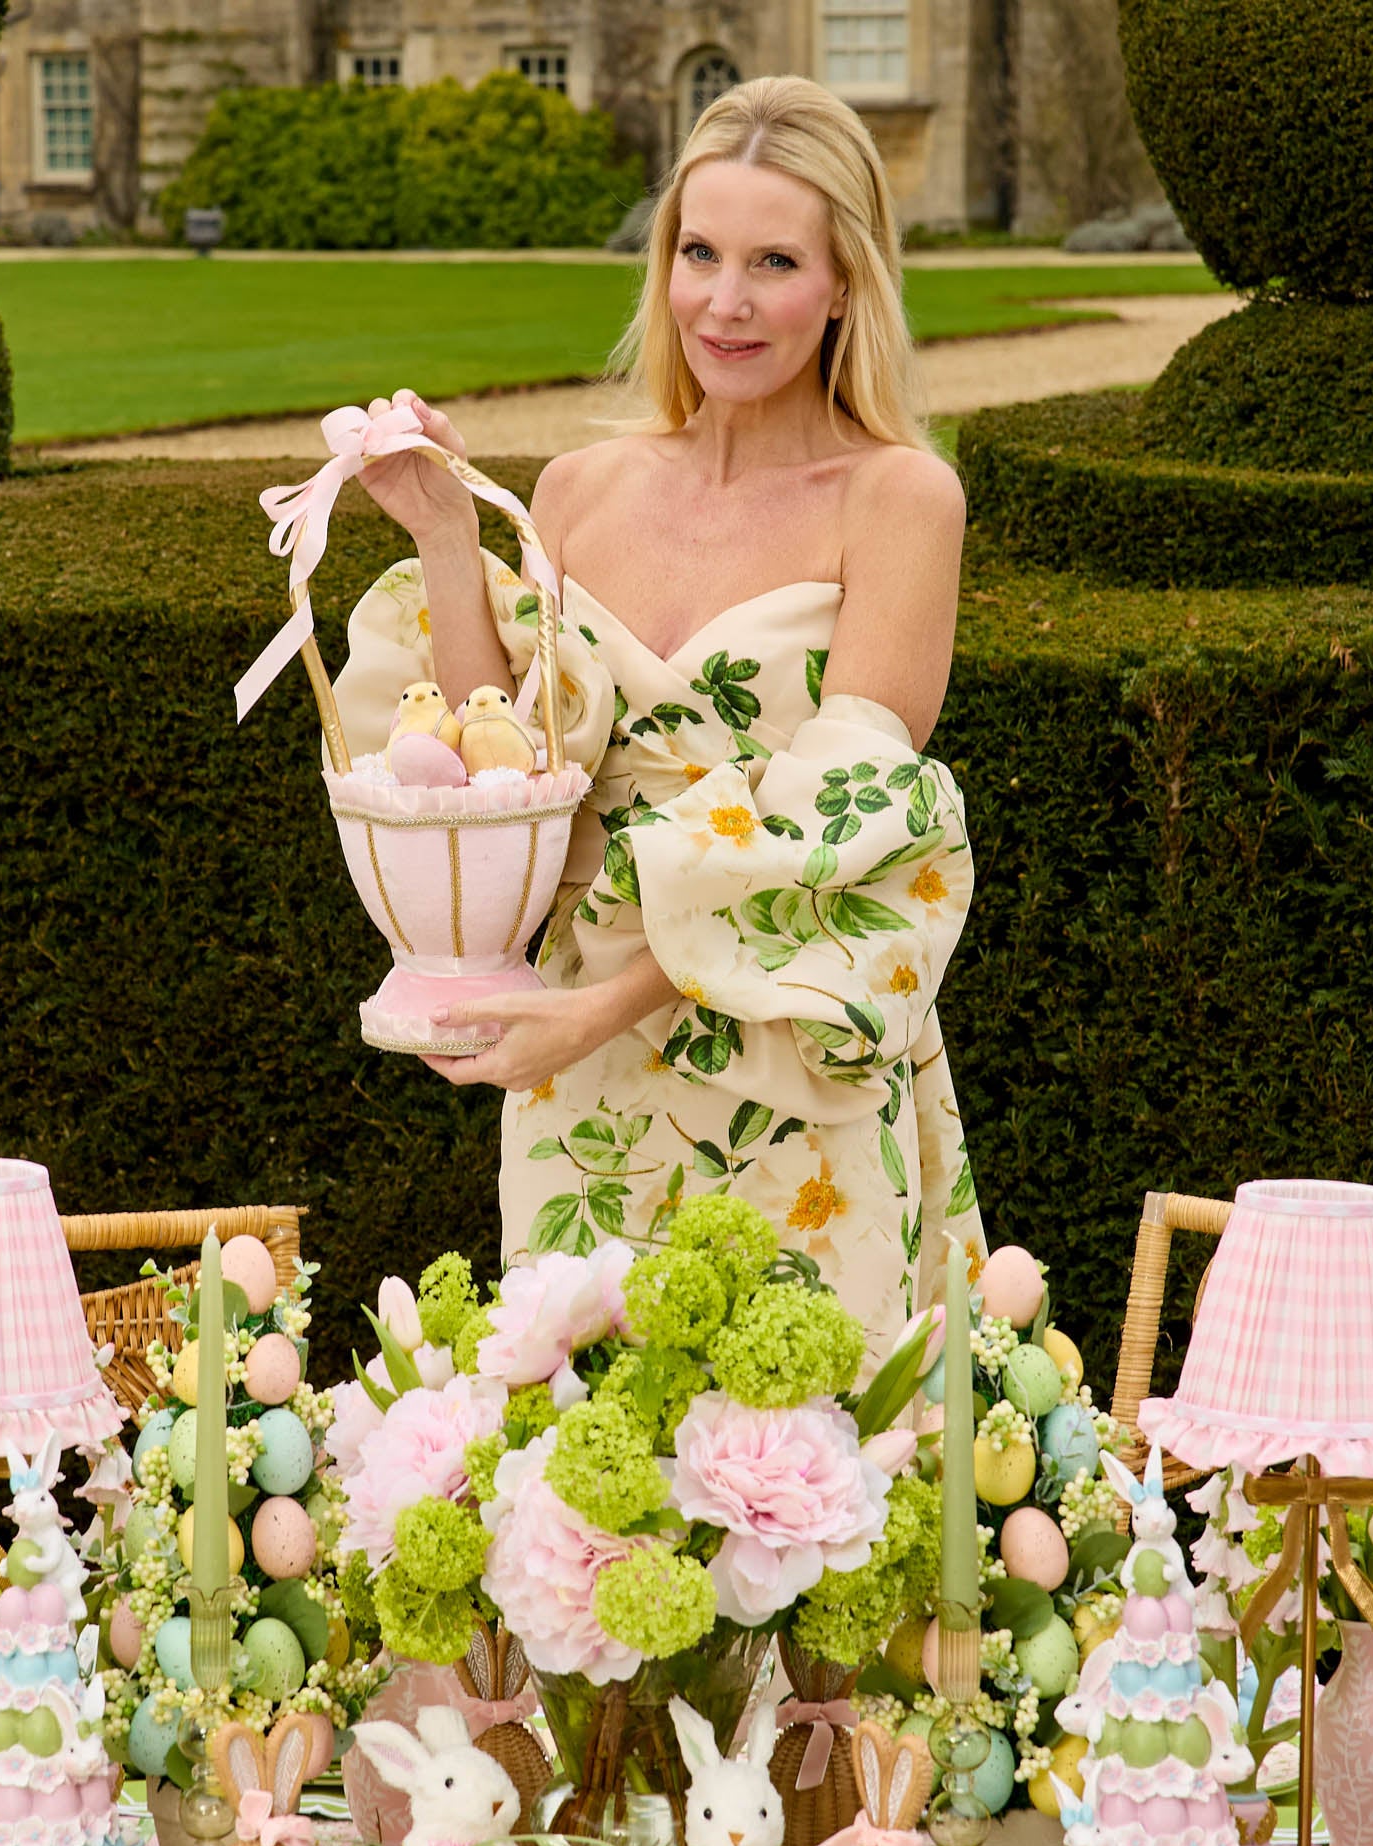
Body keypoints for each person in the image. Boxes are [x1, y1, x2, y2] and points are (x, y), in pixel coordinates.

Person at [353, 74, 985, 1354]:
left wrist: (596, 1007)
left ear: (845, 283)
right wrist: (442, 536)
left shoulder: (901, 500)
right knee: (577, 1487)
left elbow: (847, 838)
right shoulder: (578, 487)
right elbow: (507, 752)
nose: (725, 301)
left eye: (773, 261)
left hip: (790, 1067)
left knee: (807, 1473)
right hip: (578, 1077)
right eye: (698, 253)